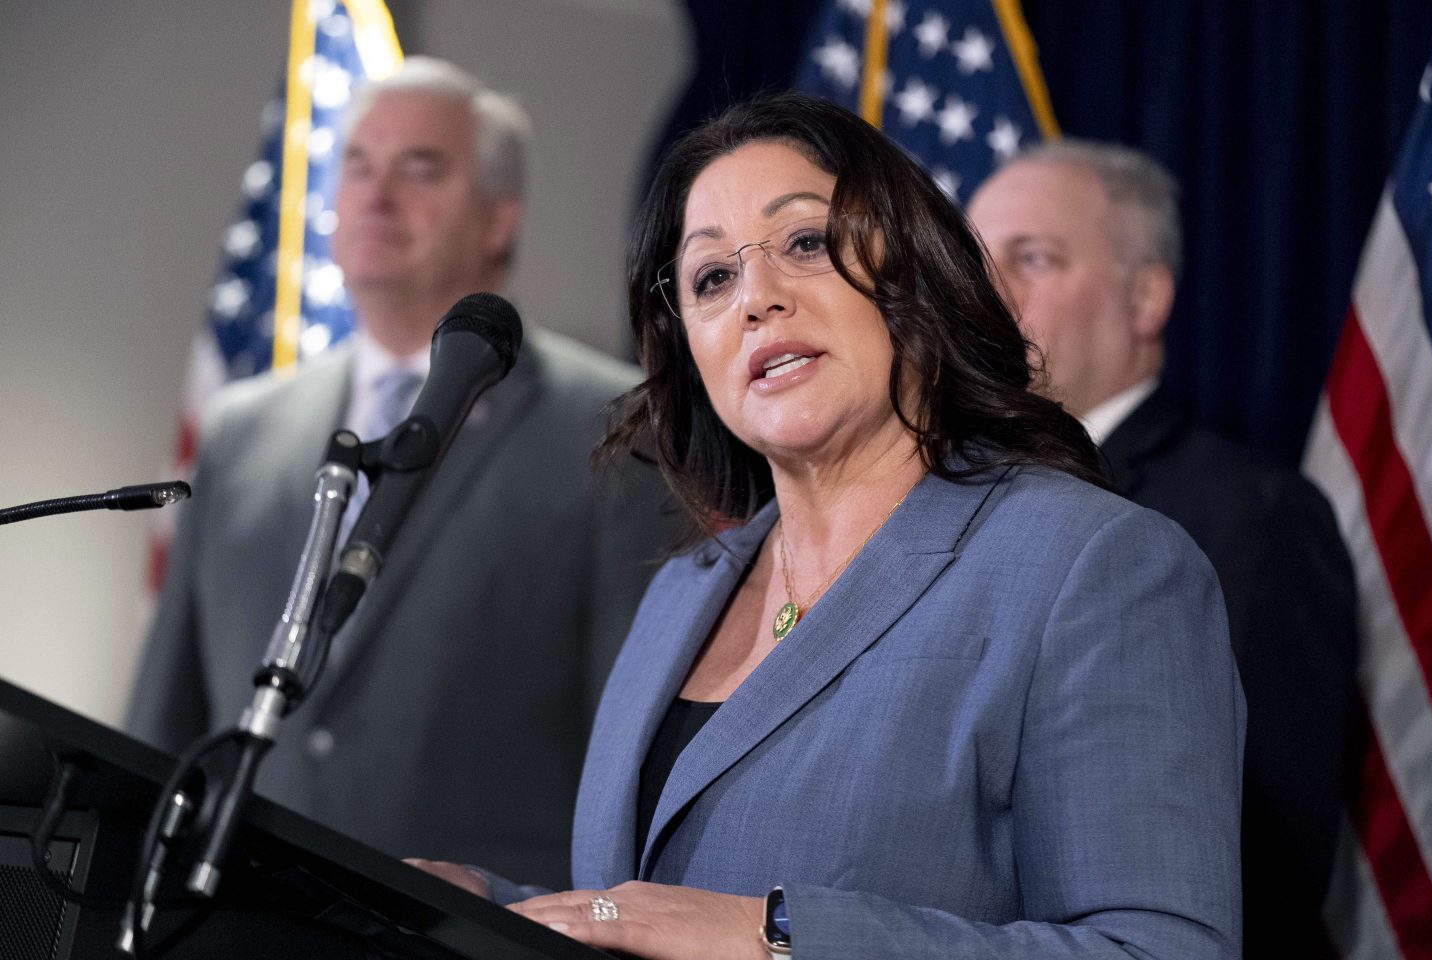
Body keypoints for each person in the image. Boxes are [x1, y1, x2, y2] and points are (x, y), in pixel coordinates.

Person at [413, 92, 1245, 959]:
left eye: (805, 243)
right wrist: (491, 908)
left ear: (913, 272)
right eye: (712, 277)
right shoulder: (682, 591)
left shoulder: (1096, 568)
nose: (757, 299)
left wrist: (772, 939)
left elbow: (1158, 950)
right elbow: (659, 916)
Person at [126, 57, 675, 890]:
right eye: (358, 165)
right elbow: (164, 722)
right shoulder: (242, 430)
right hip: (235, 917)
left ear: (499, 218)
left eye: (421, 168)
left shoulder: (617, 429)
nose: (377, 195)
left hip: (472, 931)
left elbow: (632, 747)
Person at [968, 141, 1357, 957]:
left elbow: (1262, 860)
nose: (987, 293)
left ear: (1145, 298)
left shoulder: (1255, 517)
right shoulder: (940, 504)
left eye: (1032, 257)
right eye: (973, 261)